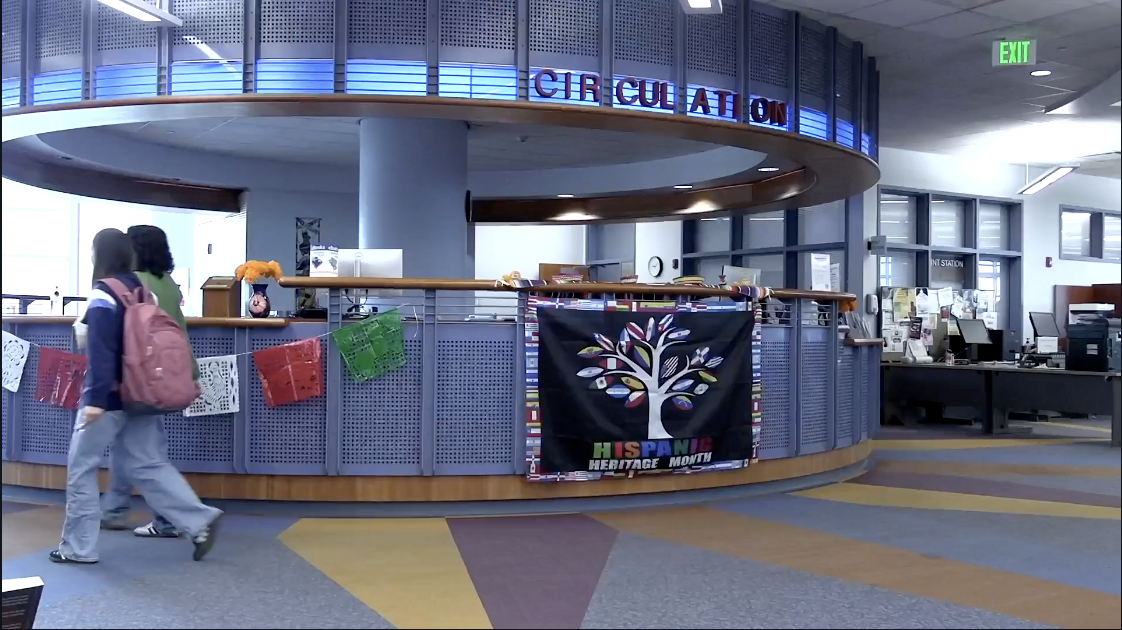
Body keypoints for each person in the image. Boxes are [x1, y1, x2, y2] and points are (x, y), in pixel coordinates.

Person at [51, 228, 221, 564]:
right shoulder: (142, 290)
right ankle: (199, 519)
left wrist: (96, 401)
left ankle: (78, 548)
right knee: (150, 463)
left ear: (99, 255)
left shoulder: (103, 293)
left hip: (109, 397)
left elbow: (101, 350)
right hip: (143, 392)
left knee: (81, 468)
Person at [99, 225, 198, 538]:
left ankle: (169, 517)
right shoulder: (168, 283)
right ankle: (115, 508)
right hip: (166, 373)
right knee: (131, 445)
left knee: (147, 452)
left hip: (138, 374)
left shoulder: (133, 284)